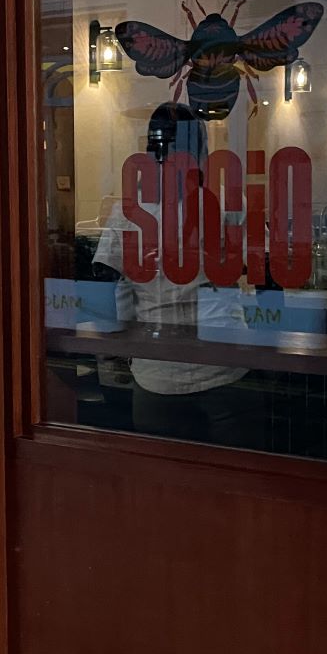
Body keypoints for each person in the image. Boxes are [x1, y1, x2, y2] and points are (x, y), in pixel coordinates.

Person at [91, 103, 266, 448]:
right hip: (225, 367)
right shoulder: (229, 203)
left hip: (157, 374)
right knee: (234, 476)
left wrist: (116, 352)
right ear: (200, 152)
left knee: (165, 477)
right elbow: (258, 269)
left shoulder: (127, 212)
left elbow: (113, 294)